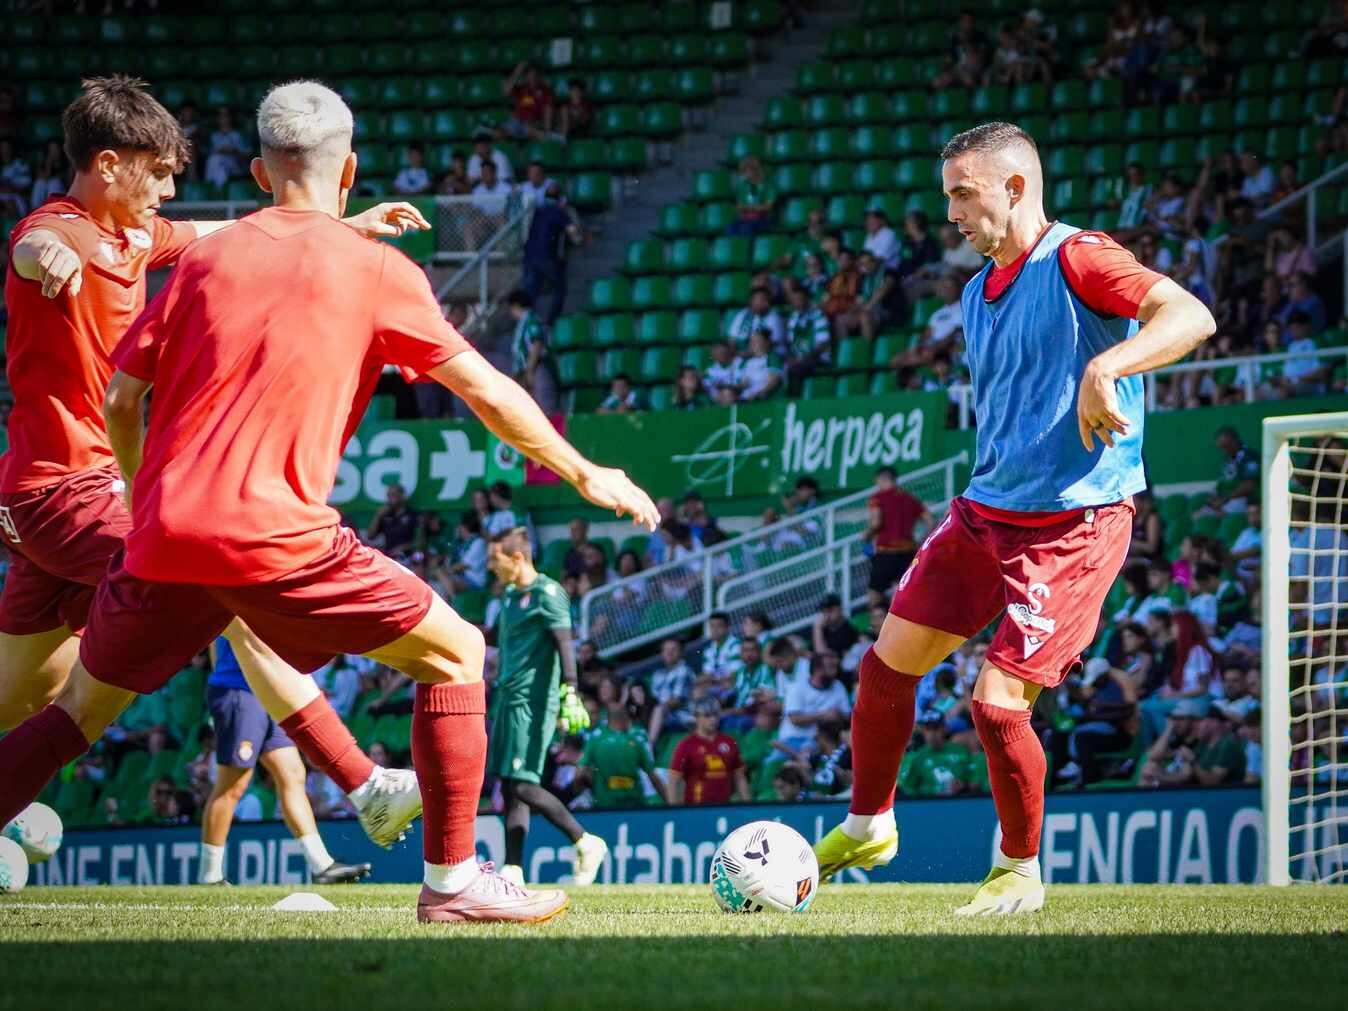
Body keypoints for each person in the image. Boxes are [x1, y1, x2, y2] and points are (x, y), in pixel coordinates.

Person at [0, 81, 659, 924]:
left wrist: (147, 492)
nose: (164, 190)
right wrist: (583, 470)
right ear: (348, 169)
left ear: (258, 169)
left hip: (157, 532)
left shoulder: (199, 259)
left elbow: (126, 401)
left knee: (74, 714)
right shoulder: (379, 269)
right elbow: (488, 392)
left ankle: (364, 781)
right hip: (267, 532)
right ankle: (451, 878)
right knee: (458, 651)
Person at [0, 76, 428, 849]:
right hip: (74, 488)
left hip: (40, 500)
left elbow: (228, 234)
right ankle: (363, 782)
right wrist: (49, 261)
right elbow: (33, 248)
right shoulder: (53, 229)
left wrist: (342, 227)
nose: (168, 188)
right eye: (156, 171)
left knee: (19, 700)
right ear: (105, 163)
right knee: (230, 598)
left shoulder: (136, 235)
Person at [812, 121, 1215, 916]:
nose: (952, 212)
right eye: (947, 197)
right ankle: (869, 822)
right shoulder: (973, 290)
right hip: (985, 513)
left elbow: (1189, 314)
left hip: (1074, 524)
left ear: (1016, 187)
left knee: (997, 703)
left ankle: (1018, 870)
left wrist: (1110, 363)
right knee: (885, 668)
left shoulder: (1080, 257)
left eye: (964, 194)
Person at [486, 527, 607, 887]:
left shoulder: (549, 593)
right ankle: (512, 870)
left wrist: (571, 690)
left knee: (523, 784)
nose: (492, 567)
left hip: (534, 703)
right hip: (507, 701)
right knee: (509, 784)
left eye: (496, 560)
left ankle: (585, 841)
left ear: (518, 557)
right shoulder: (509, 596)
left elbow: (564, 646)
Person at [199, 636, 371, 885]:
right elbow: (216, 637)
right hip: (239, 692)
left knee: (292, 774)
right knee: (233, 784)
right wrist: (225, 679)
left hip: (270, 692)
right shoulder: (234, 597)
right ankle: (210, 876)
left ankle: (321, 866)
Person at [577, 687, 668, 809]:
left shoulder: (595, 738)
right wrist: (669, 802)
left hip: (604, 807)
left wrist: (581, 789)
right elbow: (652, 775)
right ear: (625, 718)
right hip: (634, 805)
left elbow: (579, 773)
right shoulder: (638, 737)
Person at [864, 467, 931, 609]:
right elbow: (930, 521)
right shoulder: (910, 499)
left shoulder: (877, 498)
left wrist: (866, 534)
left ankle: (878, 628)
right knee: (906, 597)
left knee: (874, 595)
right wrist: (920, 541)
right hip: (907, 553)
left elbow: (876, 523)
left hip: (885, 553)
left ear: (882, 479)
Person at [667, 698, 750, 805]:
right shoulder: (686, 745)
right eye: (707, 716)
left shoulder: (729, 742)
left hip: (725, 806)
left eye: (715, 715)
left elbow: (739, 777)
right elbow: (674, 779)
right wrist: (674, 808)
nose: (713, 720)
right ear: (696, 717)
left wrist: (747, 804)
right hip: (696, 807)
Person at [521, 181, 581, 324]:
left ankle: (527, 322)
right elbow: (573, 233)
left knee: (531, 293)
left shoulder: (539, 211)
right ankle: (551, 322)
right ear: (561, 199)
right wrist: (580, 239)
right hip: (547, 259)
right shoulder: (559, 213)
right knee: (560, 287)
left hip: (529, 257)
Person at [899, 710, 977, 796]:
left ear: (945, 728)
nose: (931, 734)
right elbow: (909, 789)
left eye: (936, 728)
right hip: (929, 805)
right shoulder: (918, 757)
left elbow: (974, 781)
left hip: (958, 803)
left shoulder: (961, 751)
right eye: (927, 729)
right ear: (923, 732)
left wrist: (964, 786)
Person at [507, 289, 556, 411]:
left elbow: (537, 343)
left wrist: (530, 369)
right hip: (524, 370)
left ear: (516, 305)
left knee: (543, 405)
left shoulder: (531, 320)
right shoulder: (523, 323)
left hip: (536, 367)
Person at [498, 62, 554, 141]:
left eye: (535, 75)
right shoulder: (521, 89)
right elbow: (505, 92)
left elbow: (548, 111)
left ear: (539, 76)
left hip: (533, 124)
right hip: (517, 122)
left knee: (538, 134)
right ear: (525, 76)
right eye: (530, 75)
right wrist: (517, 72)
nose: (532, 78)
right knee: (499, 134)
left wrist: (546, 129)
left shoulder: (545, 92)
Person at [365, 482, 419, 556]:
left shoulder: (413, 515)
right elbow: (370, 537)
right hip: (389, 556)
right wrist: (378, 516)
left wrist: (403, 548)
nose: (390, 498)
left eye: (393, 495)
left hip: (408, 556)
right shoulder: (385, 516)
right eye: (388, 496)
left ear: (402, 496)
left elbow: (419, 542)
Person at [725, 286, 784, 353]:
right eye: (762, 300)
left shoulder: (774, 317)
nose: (766, 303)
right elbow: (732, 339)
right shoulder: (743, 314)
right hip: (743, 356)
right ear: (752, 300)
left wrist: (749, 353)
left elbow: (772, 343)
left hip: (768, 355)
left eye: (767, 300)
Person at [728, 156, 776, 236]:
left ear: (756, 170)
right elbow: (740, 206)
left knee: (746, 229)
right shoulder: (743, 186)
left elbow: (768, 207)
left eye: (748, 170)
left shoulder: (768, 186)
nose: (746, 174)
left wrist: (749, 208)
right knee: (730, 228)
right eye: (744, 171)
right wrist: (742, 209)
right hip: (746, 219)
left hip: (763, 219)